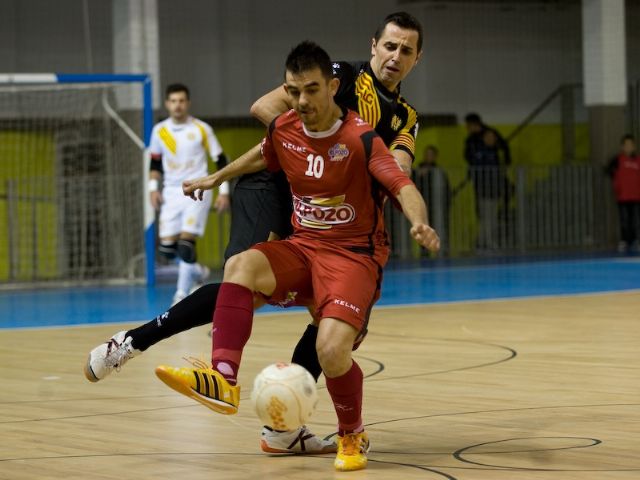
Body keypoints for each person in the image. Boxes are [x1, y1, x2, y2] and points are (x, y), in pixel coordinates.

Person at [84, 11, 424, 455]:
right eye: (390, 46)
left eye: (406, 50)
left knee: (327, 323)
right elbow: (265, 108)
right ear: (373, 45)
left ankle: (282, 431)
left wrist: (362, 167)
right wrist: (314, 151)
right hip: (276, 185)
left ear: (417, 58)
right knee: (242, 279)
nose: (396, 56)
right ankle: (134, 344)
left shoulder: (404, 117)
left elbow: (400, 165)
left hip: (333, 216)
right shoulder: (339, 76)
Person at [155, 41, 440, 472]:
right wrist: (215, 178)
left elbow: (402, 185)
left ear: (333, 87)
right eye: (293, 91)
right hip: (304, 246)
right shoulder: (285, 128)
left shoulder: (361, 138)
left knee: (330, 350)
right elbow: (261, 157)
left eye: (311, 90)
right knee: (240, 265)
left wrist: (419, 222)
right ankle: (223, 378)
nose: (302, 100)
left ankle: (351, 433)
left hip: (353, 256)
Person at [148, 83, 230, 305]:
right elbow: (155, 163)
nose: (178, 105)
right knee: (167, 249)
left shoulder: (202, 129)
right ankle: (198, 271)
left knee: (186, 244)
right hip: (171, 192)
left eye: (182, 101)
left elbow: (220, 160)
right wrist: (153, 189)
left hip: (196, 189)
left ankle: (181, 295)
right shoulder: (159, 131)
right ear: (167, 104)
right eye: (173, 101)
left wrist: (223, 192)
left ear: (188, 103)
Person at [463, 113, 511, 251]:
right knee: (485, 214)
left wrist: (505, 166)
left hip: (493, 183)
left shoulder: (493, 148)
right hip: (481, 184)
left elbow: (505, 152)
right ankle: (484, 242)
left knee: (491, 215)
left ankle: (484, 241)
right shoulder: (472, 142)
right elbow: (469, 157)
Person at [605, 134, 640, 253]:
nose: (629, 147)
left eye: (631, 145)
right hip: (623, 196)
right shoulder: (617, 160)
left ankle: (635, 240)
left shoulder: (638, 160)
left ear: (634, 146)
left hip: (636, 196)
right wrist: (617, 182)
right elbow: (608, 170)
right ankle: (624, 240)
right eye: (626, 145)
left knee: (635, 220)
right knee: (624, 220)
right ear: (622, 147)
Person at [414, 145, 450, 253]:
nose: (429, 156)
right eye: (427, 154)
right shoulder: (417, 170)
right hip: (421, 203)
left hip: (436, 204)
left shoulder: (439, 170)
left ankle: (441, 250)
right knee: (423, 228)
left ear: (435, 156)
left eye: (431, 154)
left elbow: (446, 188)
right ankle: (424, 251)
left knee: (438, 226)